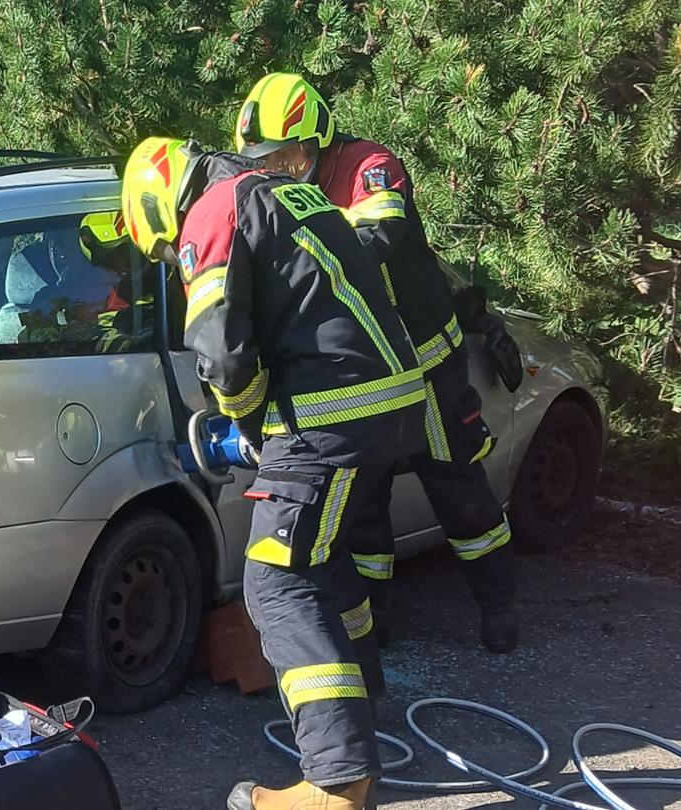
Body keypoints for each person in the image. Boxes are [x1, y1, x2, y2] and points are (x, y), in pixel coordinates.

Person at [122, 137, 427, 810]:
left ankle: (336, 781)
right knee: (324, 564)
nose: (175, 253)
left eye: (165, 247)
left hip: (332, 415)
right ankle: (362, 719)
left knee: (277, 579)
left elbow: (225, 356)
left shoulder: (213, 210)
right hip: (386, 404)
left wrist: (250, 422)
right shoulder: (288, 193)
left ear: (158, 201)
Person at [235, 73, 521, 653]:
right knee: (362, 507)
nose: (280, 169)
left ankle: (500, 605)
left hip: (425, 359)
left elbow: (379, 235)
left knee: (456, 482)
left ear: (317, 141)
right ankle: (375, 627)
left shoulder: (370, 165)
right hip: (364, 376)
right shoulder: (279, 193)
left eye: (287, 156)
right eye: (267, 159)